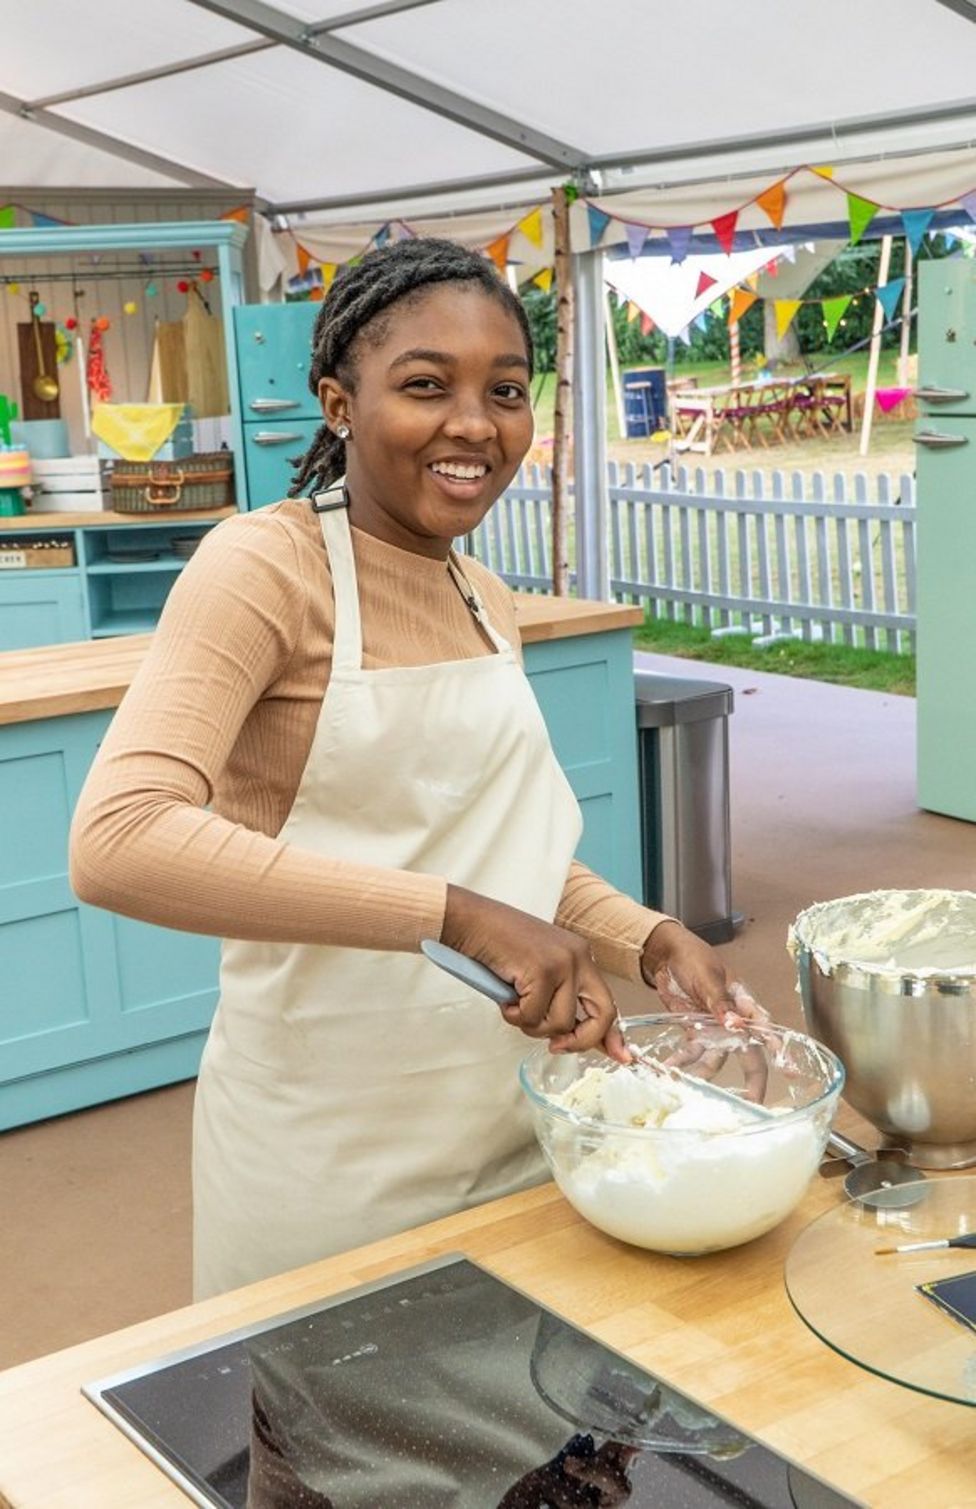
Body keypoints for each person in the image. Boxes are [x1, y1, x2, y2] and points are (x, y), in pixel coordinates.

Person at [70, 237, 765, 1302]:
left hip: (516, 1113)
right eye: (425, 386)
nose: (475, 426)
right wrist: (453, 915)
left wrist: (650, 940)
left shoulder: (484, 590)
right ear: (338, 402)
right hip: (331, 1150)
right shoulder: (264, 568)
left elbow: (496, 853)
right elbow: (117, 842)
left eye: (505, 391)